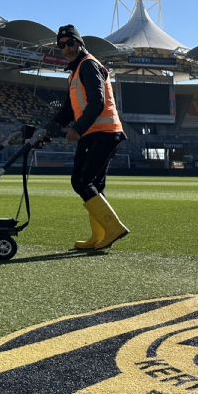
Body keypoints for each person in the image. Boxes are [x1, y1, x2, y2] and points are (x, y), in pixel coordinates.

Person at [47, 24, 128, 250]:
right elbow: (67, 109)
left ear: (79, 43)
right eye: (61, 45)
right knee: (94, 185)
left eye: (70, 43)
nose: (66, 48)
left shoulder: (88, 65)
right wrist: (48, 129)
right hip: (99, 134)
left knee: (81, 181)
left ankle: (113, 228)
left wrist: (78, 129)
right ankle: (99, 236)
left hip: (101, 133)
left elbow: (97, 101)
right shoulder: (74, 73)